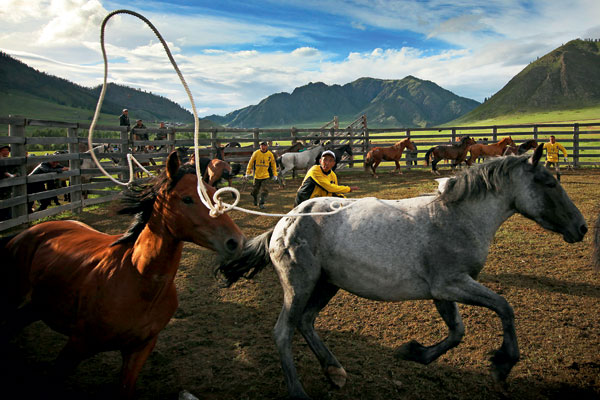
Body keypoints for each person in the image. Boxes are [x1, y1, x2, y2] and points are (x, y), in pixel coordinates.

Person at [294, 150, 358, 207]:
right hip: (303, 202)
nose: (327, 163)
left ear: (333, 164)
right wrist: (348, 189)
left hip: (318, 203)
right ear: (320, 161)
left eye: (330, 160)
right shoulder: (315, 170)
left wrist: (348, 201)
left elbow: (335, 192)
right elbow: (329, 187)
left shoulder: (333, 175)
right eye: (325, 160)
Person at [245, 141, 278, 209]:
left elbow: (273, 164)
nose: (263, 147)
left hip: (265, 176)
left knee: (265, 190)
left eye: (264, 146)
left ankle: (261, 203)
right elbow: (250, 163)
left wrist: (275, 174)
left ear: (267, 146)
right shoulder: (256, 153)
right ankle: (254, 198)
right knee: (255, 190)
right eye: (262, 146)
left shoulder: (270, 154)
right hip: (257, 176)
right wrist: (247, 173)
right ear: (260, 146)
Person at [0, 145, 17, 220]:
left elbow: (17, 170)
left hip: (8, 185)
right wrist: (6, 174)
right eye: (4, 150)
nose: (6, 152)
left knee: (8, 200)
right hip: (2, 183)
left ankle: (7, 218)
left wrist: (15, 175)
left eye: (7, 150)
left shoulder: (10, 161)